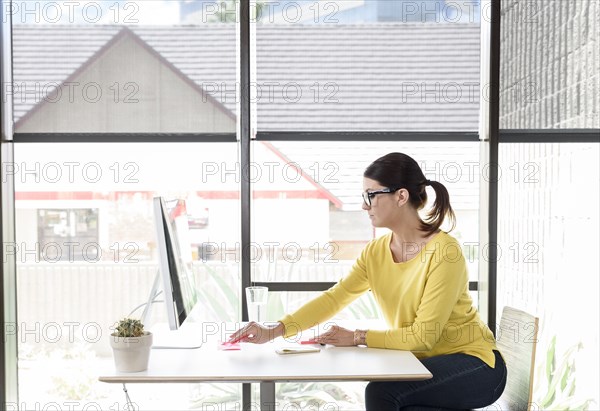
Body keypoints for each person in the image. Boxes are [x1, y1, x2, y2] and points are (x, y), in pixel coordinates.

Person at [228, 152, 507, 410]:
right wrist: (273, 330)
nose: (364, 205)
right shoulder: (376, 252)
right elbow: (335, 297)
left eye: (371, 195)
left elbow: (423, 337)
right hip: (421, 363)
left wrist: (357, 337)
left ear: (400, 196)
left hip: (476, 366)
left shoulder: (445, 251)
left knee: (382, 393)